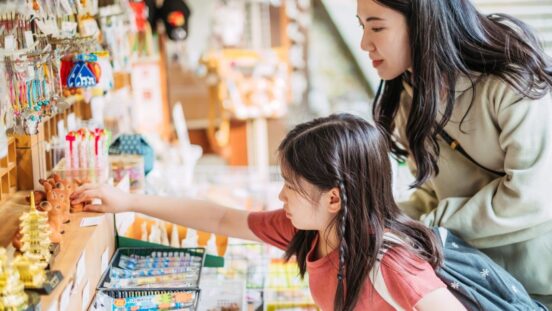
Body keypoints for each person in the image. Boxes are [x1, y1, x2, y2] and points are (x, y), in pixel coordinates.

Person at [72, 114, 466, 310]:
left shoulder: (395, 265)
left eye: (292, 187)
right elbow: (222, 219)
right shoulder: (312, 230)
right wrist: (128, 201)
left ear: (334, 198)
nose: (281, 196)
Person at [356, 0, 552, 306]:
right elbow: (436, 195)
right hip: (483, 282)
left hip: (541, 279)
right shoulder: (410, 99)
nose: (365, 43)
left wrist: (429, 227)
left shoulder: (511, 81)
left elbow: (533, 195)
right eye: (362, 26)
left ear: (422, 22)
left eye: (377, 27)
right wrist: (375, 222)